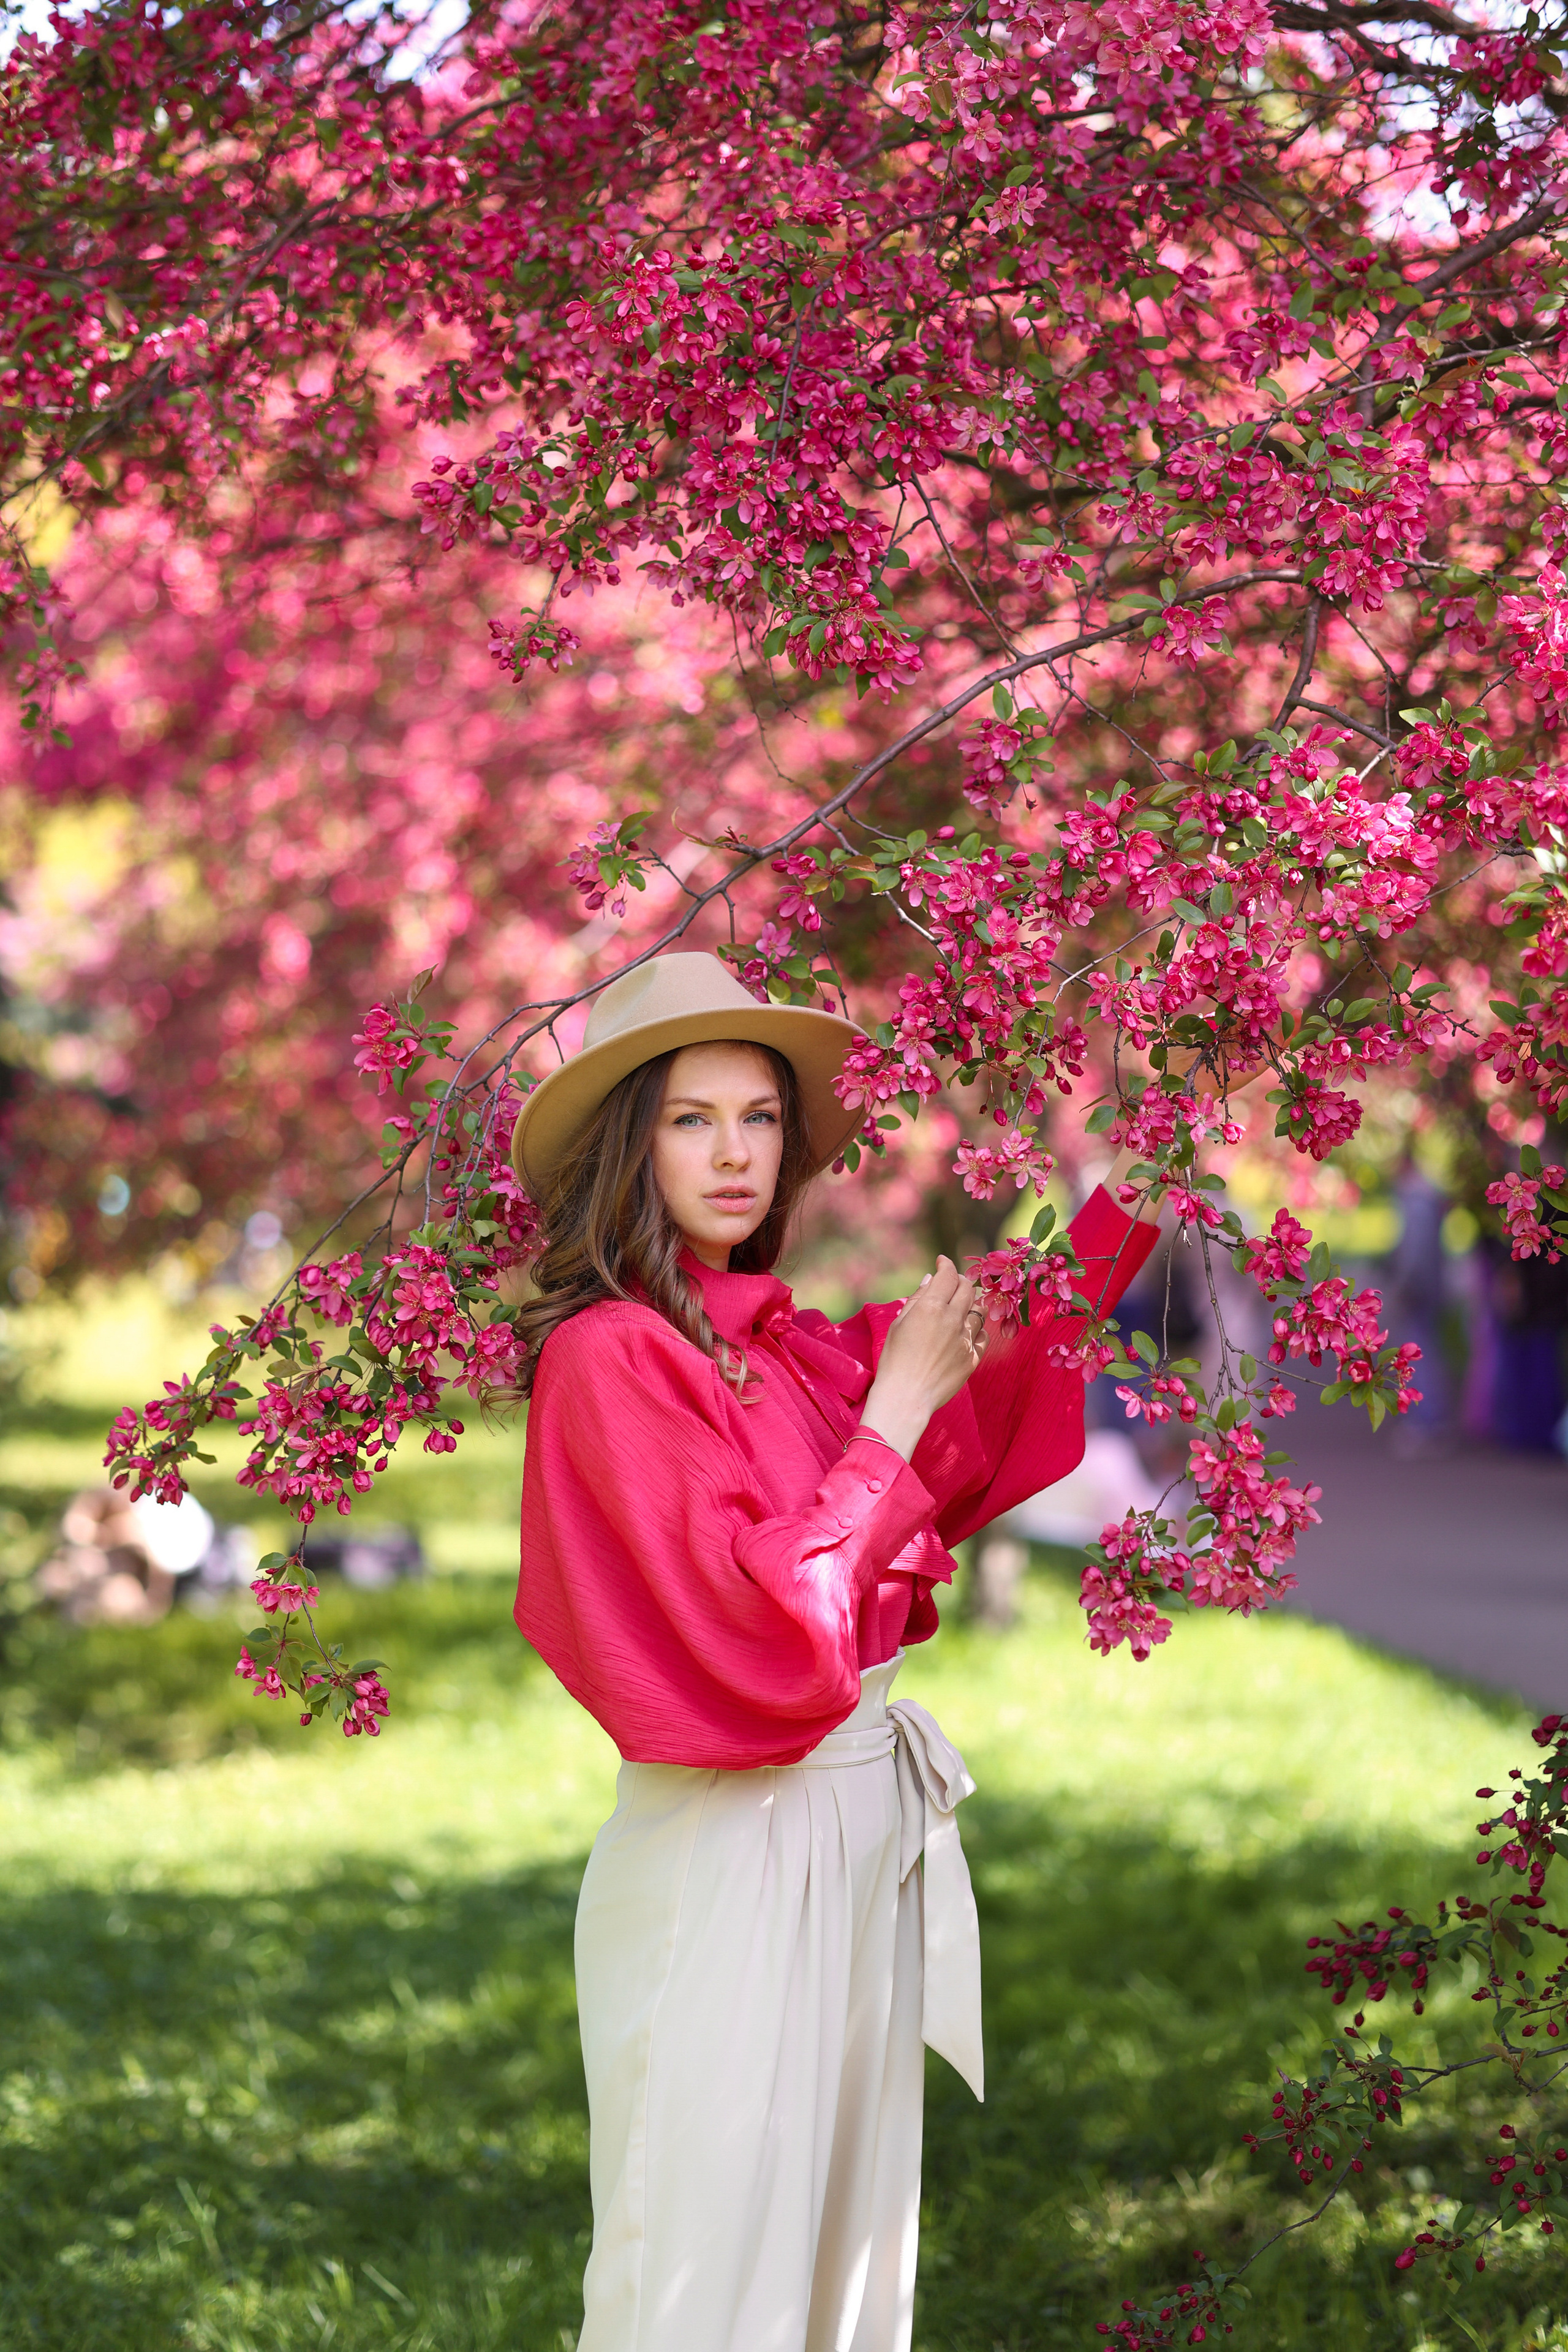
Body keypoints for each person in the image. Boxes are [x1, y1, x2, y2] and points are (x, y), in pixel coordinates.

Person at [507, 951, 1164, 2352]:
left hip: (858, 1819)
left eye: (757, 1117)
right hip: (727, 1846)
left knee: (845, 2253)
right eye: (690, 1119)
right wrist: (899, 1412)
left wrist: (1135, 1192)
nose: (734, 1151)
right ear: (633, 1140)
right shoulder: (611, 1360)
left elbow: (979, 1387)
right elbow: (757, 1623)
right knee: (708, 2245)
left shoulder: (788, 1348)